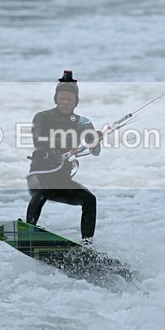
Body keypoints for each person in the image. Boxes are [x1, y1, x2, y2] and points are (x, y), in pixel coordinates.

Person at [25, 70, 102, 243]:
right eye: (62, 98)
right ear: (56, 99)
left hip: (61, 180)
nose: (65, 102)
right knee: (42, 190)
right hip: (40, 175)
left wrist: (95, 140)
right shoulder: (42, 117)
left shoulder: (83, 122)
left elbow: (95, 151)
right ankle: (28, 229)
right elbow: (38, 140)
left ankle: (87, 244)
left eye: (69, 99)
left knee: (89, 200)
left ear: (76, 101)